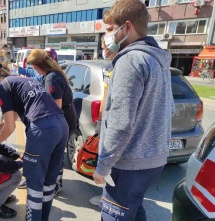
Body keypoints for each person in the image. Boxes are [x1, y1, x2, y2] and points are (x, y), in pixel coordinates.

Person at [92, 0, 173, 220]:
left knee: (114, 214)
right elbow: (169, 110)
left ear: (127, 27)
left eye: (110, 30)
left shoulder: (131, 60)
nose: (106, 36)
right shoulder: (157, 60)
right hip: (152, 159)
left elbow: (121, 121)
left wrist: (103, 165)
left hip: (128, 162)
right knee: (134, 210)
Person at [0, 56, 68, 221]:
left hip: (42, 129)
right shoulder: (22, 79)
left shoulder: (2, 88)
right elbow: (9, 118)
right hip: (61, 126)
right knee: (48, 184)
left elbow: (11, 126)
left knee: (35, 186)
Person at [26, 49, 77, 196]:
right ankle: (53, 182)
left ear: (37, 65)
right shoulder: (51, 74)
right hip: (64, 118)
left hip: (61, 120)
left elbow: (55, 106)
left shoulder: (52, 78)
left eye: (33, 66)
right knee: (57, 153)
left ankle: (56, 184)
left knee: (56, 154)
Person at [89, 34, 117, 206]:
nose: (104, 50)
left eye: (104, 46)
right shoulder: (109, 67)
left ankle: (107, 198)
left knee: (108, 162)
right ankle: (107, 195)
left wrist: (100, 119)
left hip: (113, 122)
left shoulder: (113, 68)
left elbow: (106, 96)